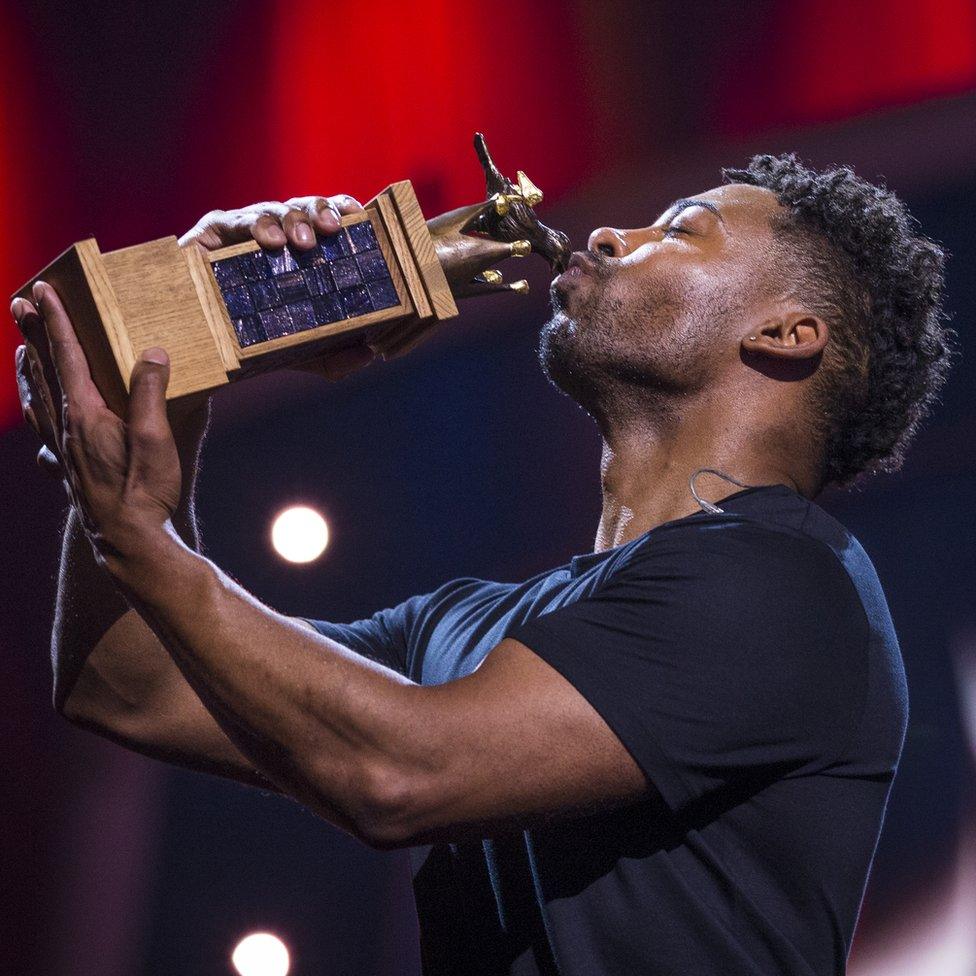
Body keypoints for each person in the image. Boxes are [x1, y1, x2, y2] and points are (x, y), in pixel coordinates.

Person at [13, 154, 952, 976]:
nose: (611, 235)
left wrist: (141, 538)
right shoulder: (473, 624)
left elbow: (399, 774)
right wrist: (194, 348)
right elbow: (127, 685)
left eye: (681, 229)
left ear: (786, 333)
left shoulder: (788, 583)